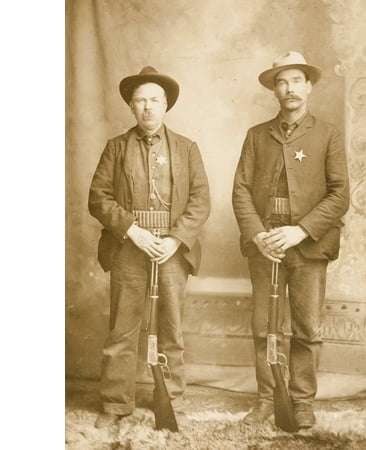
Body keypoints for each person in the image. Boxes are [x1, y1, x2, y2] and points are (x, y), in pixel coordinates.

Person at [232, 51, 349, 428]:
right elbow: (241, 192)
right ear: (274, 90)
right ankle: (267, 398)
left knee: (306, 329)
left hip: (308, 244)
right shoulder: (256, 135)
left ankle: (301, 402)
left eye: (296, 80)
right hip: (266, 244)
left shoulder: (328, 134)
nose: (289, 88)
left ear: (309, 86)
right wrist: (258, 234)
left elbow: (340, 194)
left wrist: (299, 231)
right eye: (282, 82)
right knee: (263, 326)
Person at [88, 66, 210, 428]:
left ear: (166, 105)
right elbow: (98, 198)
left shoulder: (187, 148)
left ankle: (170, 402)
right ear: (130, 106)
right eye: (140, 100)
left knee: (171, 328)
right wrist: (132, 231)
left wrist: (174, 240)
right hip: (129, 248)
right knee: (122, 331)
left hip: (172, 251)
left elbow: (201, 200)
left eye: (154, 100)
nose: (147, 108)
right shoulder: (116, 147)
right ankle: (115, 405)